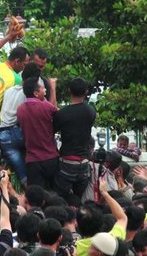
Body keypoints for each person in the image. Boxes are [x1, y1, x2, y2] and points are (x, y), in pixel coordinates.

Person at [53, 77, 96, 206]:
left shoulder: (63, 113)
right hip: (84, 163)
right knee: (77, 199)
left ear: (69, 91)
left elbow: (52, 128)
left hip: (67, 161)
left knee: (60, 199)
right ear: (86, 92)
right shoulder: (91, 112)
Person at [0, 62, 42, 186]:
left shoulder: (9, 91)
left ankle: (26, 189)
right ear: (35, 81)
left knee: (21, 171)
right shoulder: (28, 95)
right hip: (19, 132)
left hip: (3, 135)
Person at [17, 77, 59, 190]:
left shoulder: (20, 109)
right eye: (42, 88)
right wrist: (53, 89)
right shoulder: (46, 106)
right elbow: (56, 111)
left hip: (32, 160)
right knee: (54, 193)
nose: (44, 90)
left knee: (37, 195)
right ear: (36, 93)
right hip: (50, 157)